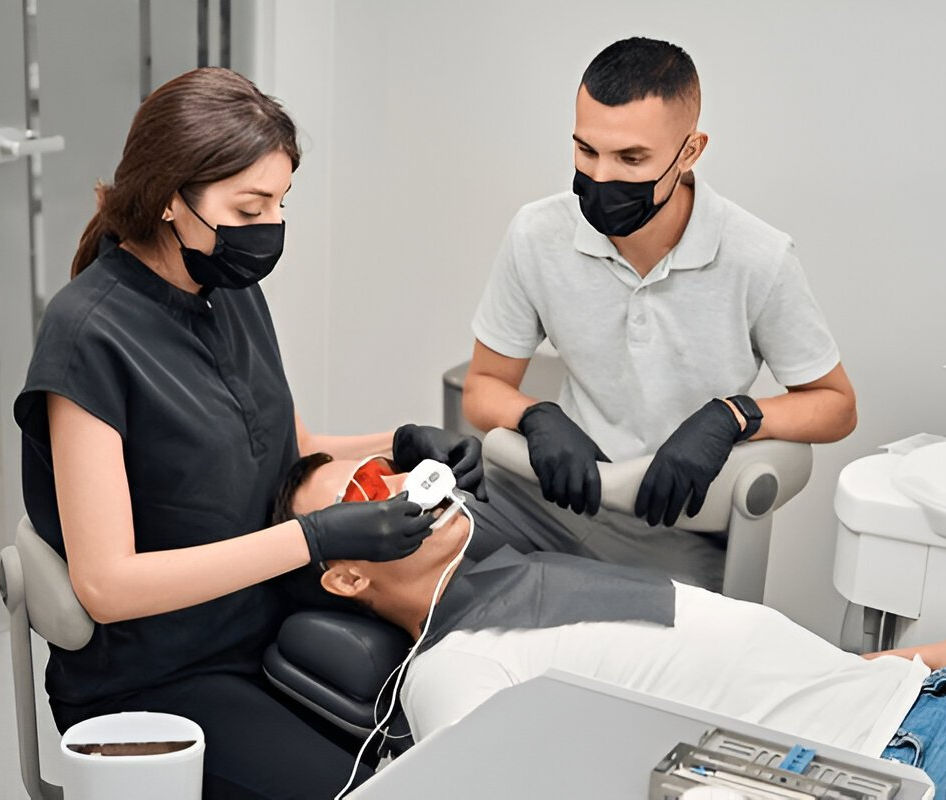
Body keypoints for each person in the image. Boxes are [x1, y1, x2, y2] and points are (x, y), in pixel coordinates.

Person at [13, 67, 484, 800]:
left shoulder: (228, 291)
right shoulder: (88, 337)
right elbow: (106, 585)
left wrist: (406, 440)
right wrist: (318, 539)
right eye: (249, 205)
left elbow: (289, 449)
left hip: (270, 623)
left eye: (279, 203)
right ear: (171, 198)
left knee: (448, 745)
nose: (270, 225)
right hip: (157, 677)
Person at [274, 454, 946, 792]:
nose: (401, 489)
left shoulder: (527, 572)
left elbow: (777, 681)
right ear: (348, 576)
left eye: (393, 471)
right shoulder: (450, 665)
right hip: (891, 759)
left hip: (910, 702)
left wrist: (927, 665)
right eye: (366, 491)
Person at [462, 37, 857, 588]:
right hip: (542, 501)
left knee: (645, 649)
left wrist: (733, 416)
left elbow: (837, 407)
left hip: (673, 526)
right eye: (585, 151)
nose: (599, 177)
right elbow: (483, 387)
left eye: (631, 158)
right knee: (391, 552)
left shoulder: (758, 257)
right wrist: (536, 416)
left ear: (690, 152)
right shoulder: (537, 233)